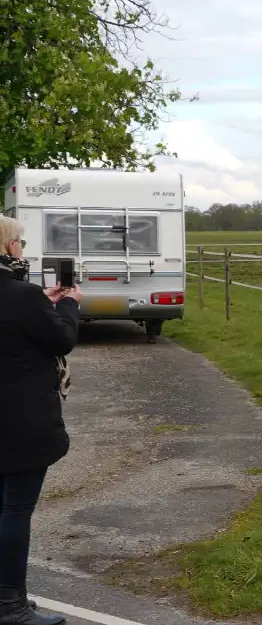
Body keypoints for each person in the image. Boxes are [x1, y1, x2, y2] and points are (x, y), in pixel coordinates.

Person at [0, 215, 80, 625]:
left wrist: (41, 303)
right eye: (20, 243)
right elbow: (60, 339)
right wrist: (67, 305)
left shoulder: (25, 297)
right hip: (19, 419)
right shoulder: (21, 295)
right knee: (15, 510)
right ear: (8, 246)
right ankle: (10, 603)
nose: (22, 250)